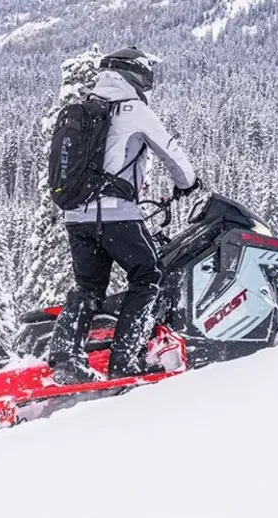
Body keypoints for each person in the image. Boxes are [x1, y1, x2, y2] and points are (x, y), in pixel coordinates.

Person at [48, 47, 201, 384]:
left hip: (76, 216)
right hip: (116, 214)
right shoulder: (134, 110)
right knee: (148, 276)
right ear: (135, 75)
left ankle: (65, 356)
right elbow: (173, 155)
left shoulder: (84, 108)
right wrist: (188, 185)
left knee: (88, 287)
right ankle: (126, 360)